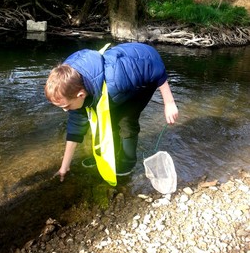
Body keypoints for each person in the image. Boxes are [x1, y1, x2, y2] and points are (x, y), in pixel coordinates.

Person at [45, 42, 178, 182]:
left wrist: (169, 103)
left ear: (81, 95)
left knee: (127, 120)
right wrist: (64, 166)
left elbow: (155, 69)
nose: (65, 110)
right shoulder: (70, 83)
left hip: (145, 69)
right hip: (116, 76)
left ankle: (128, 161)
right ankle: (109, 157)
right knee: (107, 119)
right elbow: (76, 127)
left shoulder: (117, 78)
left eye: (66, 106)